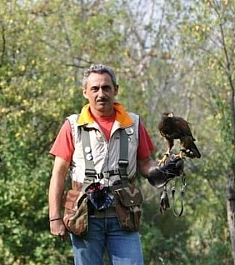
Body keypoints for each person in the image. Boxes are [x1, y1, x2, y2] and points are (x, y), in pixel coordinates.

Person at [48, 63, 183, 264]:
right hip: (85, 216)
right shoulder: (72, 125)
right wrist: (55, 218)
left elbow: (145, 164)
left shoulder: (133, 123)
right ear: (85, 92)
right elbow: (58, 175)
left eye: (106, 87)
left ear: (115, 90)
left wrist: (164, 170)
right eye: (94, 88)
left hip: (124, 215)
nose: (100, 93)